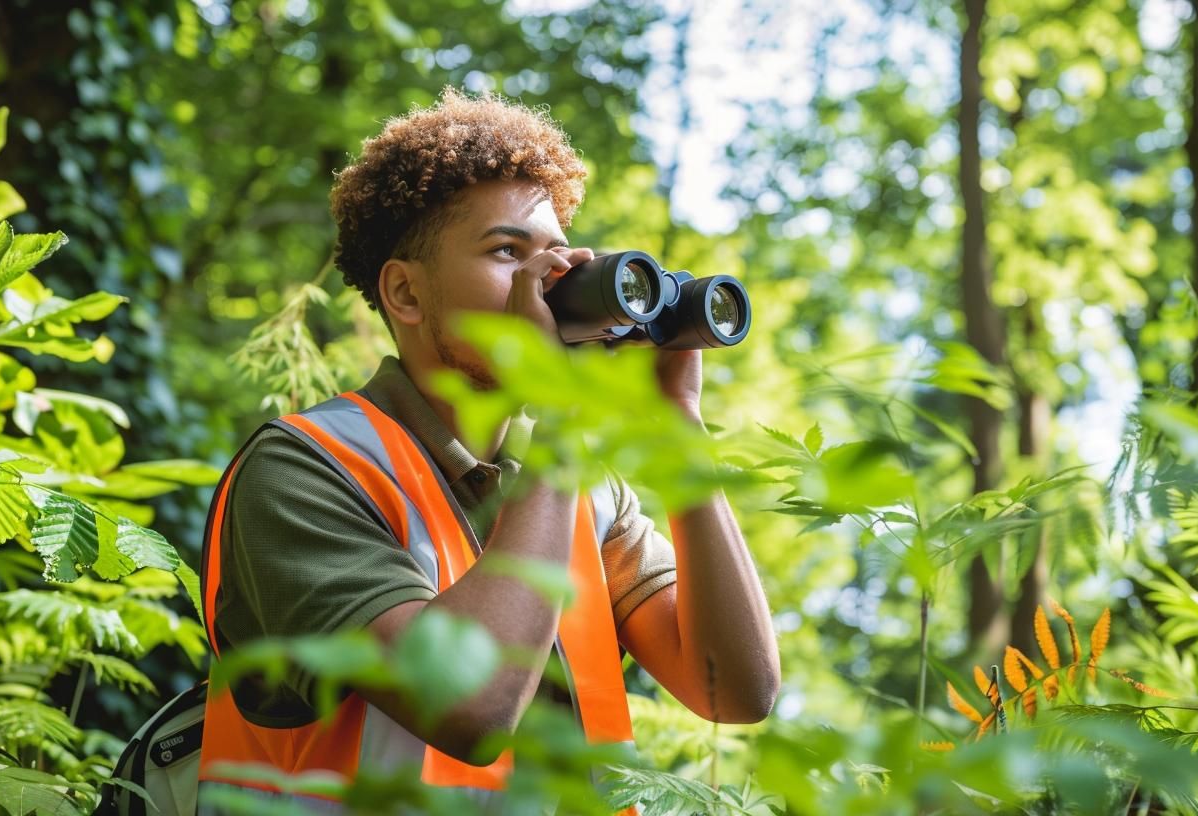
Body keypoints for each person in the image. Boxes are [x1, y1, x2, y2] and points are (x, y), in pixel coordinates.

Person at [195, 87, 780, 812]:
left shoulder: (583, 489)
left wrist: (679, 422)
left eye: (559, 254)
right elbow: (469, 710)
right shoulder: (306, 470)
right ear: (405, 294)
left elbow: (736, 688)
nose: (550, 281)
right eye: (508, 252)